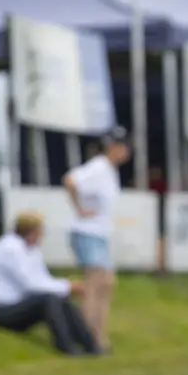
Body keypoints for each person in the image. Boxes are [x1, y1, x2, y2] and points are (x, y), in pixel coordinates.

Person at [0, 211, 101, 356]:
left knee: (60, 299)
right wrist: (67, 286)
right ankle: (66, 347)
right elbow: (31, 285)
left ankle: (90, 345)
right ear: (32, 231)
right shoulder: (10, 248)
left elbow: (42, 279)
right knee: (49, 300)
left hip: (13, 304)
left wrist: (66, 286)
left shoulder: (31, 250)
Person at [62, 125, 130, 352]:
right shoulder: (99, 166)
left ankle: (96, 334)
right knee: (95, 284)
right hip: (87, 231)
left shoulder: (108, 169)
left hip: (97, 232)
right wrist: (79, 208)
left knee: (105, 283)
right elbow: (70, 180)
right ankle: (87, 336)